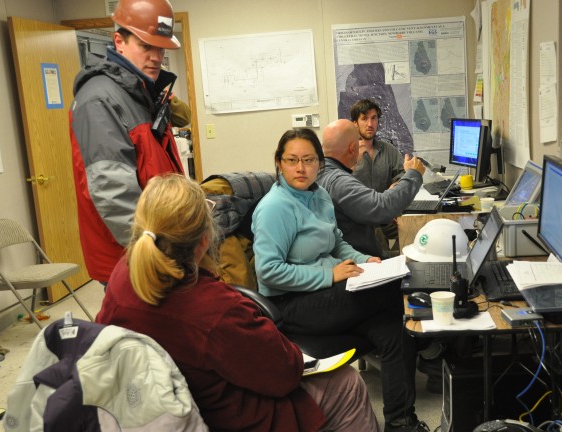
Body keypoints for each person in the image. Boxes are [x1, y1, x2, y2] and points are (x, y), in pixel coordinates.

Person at [96, 173, 379, 432]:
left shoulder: (123, 275)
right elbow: (284, 373)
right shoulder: (216, 309)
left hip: (145, 407)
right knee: (346, 383)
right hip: (224, 416)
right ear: (204, 240)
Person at [252, 128, 428, 432]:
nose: (300, 168)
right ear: (279, 163)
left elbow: (337, 243)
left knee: (394, 329)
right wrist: (328, 274)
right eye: (292, 160)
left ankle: (400, 423)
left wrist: (364, 260)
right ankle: (437, 344)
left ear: (319, 163)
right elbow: (268, 271)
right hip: (292, 304)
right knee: (395, 290)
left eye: (309, 160)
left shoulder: (319, 195)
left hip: (331, 293)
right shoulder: (274, 207)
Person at [69, 0, 184, 284]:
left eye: (161, 49)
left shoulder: (141, 91)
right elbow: (113, 193)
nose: (156, 57)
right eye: (146, 46)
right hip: (136, 259)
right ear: (119, 41)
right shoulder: (100, 99)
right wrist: (154, 253)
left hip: (161, 245)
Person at [317, 119, 425, 258]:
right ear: (353, 148)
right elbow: (382, 207)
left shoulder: (318, 173)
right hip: (361, 260)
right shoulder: (339, 182)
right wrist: (413, 174)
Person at [351, 99, 405, 193]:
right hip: (356, 202)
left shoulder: (389, 150)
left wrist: (397, 185)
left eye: (373, 118)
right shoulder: (347, 152)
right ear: (355, 123)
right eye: (364, 118)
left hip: (386, 201)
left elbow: (402, 175)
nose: (370, 124)